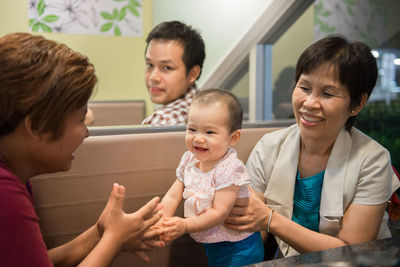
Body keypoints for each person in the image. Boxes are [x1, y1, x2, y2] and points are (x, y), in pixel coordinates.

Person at [224, 35, 400, 257]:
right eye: (304, 87)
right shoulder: (269, 147)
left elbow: (352, 250)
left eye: (327, 93)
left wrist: (270, 220)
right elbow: (251, 227)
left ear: (357, 104)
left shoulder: (373, 160)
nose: (309, 103)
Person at [0, 32, 164, 266]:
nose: (85, 133)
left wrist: (101, 233)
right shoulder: (4, 195)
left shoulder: (15, 177)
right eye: (80, 120)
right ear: (36, 126)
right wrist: (115, 239)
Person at [158, 89, 264, 267]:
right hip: (213, 241)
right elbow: (173, 196)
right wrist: (161, 220)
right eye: (192, 129)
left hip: (239, 246)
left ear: (233, 137)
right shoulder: (189, 160)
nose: (198, 138)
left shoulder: (230, 168)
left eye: (209, 132)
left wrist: (184, 225)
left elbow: (219, 213)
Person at [142, 20, 205, 126]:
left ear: (193, 73)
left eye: (167, 67)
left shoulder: (162, 120)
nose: (153, 77)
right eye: (149, 65)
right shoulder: (209, 109)